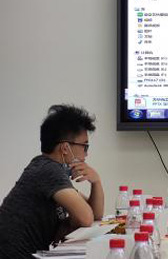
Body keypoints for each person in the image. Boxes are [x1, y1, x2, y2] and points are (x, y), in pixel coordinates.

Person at [0, 104, 104, 258]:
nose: (86, 154)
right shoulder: (48, 170)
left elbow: (95, 214)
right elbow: (86, 217)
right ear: (65, 148)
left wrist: (96, 182)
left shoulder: (48, 168)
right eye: (85, 146)